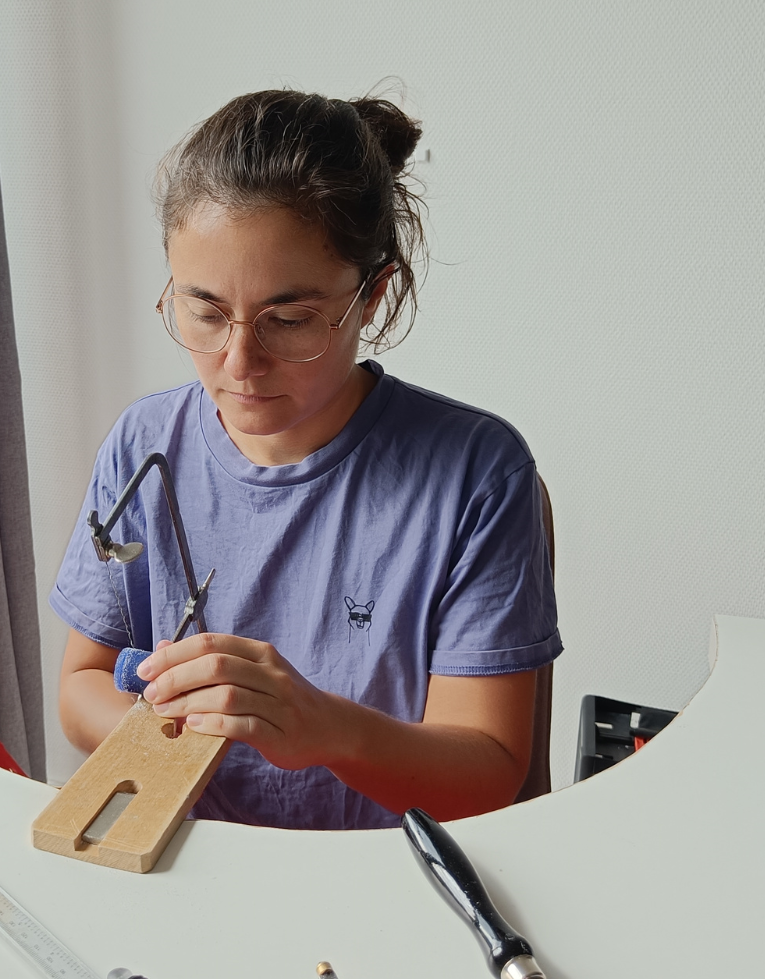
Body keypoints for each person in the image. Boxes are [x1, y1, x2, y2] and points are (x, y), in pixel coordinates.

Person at [51, 89, 560, 830]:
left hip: (385, 880)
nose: (239, 361)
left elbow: (487, 775)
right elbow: (82, 685)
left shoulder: (475, 477)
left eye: (288, 320)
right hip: (199, 865)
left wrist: (323, 729)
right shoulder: (144, 445)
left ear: (373, 296)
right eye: (204, 311)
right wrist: (178, 740)